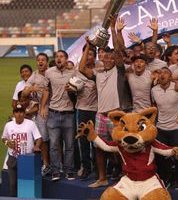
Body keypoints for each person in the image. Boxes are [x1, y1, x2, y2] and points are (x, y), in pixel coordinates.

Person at [79, 36, 125, 188]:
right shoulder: (98, 73)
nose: (108, 60)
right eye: (105, 58)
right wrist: (87, 47)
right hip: (100, 115)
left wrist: (114, 30)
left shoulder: (119, 71)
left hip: (115, 116)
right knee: (99, 147)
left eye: (111, 58)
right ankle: (102, 178)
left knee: (119, 147)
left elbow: (118, 53)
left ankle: (124, 177)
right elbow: (81, 68)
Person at [40, 50, 76, 181]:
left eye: (61, 56)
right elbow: (45, 90)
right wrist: (43, 107)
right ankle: (55, 171)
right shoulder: (49, 72)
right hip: (53, 113)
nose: (58, 58)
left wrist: (73, 90)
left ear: (66, 59)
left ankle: (69, 170)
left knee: (70, 145)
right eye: (57, 57)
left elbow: (78, 88)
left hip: (69, 114)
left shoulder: (73, 72)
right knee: (54, 145)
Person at [151, 67, 178, 189]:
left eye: (165, 73)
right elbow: (154, 107)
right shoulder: (154, 90)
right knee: (161, 157)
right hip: (161, 128)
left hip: (176, 128)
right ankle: (164, 178)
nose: (162, 75)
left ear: (170, 76)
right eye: (160, 72)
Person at [2, 104, 42, 197]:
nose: (19, 114)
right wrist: (7, 142)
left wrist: (36, 146)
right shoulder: (8, 125)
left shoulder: (31, 124)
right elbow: (3, 138)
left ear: (24, 114)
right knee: (13, 184)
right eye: (17, 112)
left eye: (21, 112)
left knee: (26, 185)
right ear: (13, 114)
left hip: (27, 159)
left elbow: (39, 138)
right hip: (13, 158)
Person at [22, 53, 50, 176]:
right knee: (43, 138)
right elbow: (24, 93)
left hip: (55, 109)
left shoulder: (52, 72)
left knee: (57, 140)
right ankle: (46, 164)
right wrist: (31, 89)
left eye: (43, 60)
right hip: (42, 112)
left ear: (47, 62)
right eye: (38, 60)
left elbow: (47, 91)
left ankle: (59, 164)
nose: (40, 62)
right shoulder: (34, 75)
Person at [76, 43, 98, 180]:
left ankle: (97, 167)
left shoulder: (99, 69)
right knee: (83, 141)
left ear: (95, 57)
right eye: (86, 53)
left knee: (96, 141)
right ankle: (86, 167)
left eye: (91, 54)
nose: (88, 57)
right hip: (82, 109)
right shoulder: (76, 70)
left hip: (96, 110)